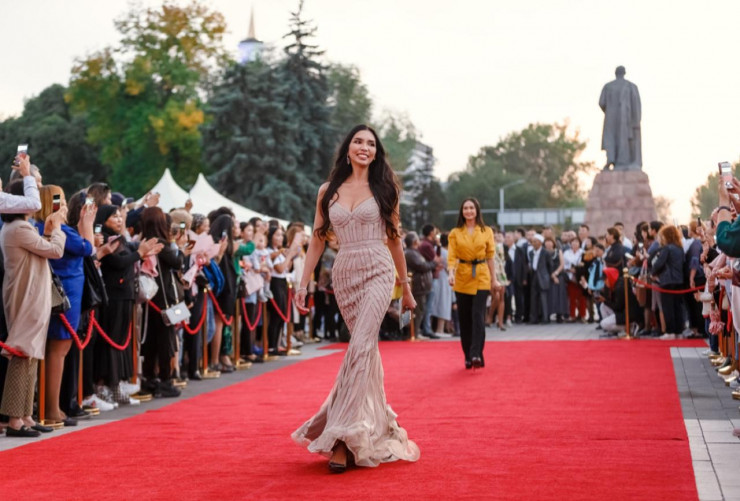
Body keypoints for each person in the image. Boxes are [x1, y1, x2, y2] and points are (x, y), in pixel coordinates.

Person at [292, 124, 420, 472]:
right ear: (347, 149)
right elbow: (317, 239)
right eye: (358, 142)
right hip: (345, 273)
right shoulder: (327, 190)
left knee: (361, 346)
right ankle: (373, 427)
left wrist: (405, 286)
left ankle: (340, 438)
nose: (364, 147)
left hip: (378, 269)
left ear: (376, 153)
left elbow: (394, 239)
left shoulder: (386, 188)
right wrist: (303, 284)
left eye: (371, 144)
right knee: (366, 353)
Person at [0, 180, 66, 437]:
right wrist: (56, 229)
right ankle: (15, 420)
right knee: (23, 354)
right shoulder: (18, 228)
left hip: (32, 296)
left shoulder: (19, 227)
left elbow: (42, 251)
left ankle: (26, 415)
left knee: (32, 355)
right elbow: (55, 251)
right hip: (26, 297)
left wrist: (48, 231)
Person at [34, 186, 95, 426]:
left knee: (55, 350)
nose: (67, 207)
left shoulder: (39, 226)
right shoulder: (60, 229)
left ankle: (51, 406)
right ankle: (52, 408)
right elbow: (87, 248)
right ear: (54, 204)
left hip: (57, 292)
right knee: (58, 351)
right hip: (66, 293)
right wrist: (87, 223)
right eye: (62, 202)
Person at [448, 198, 497, 369]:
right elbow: (452, 256)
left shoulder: (486, 231)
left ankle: (476, 352)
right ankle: (468, 355)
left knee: (478, 315)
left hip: (482, 275)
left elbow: (490, 256)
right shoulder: (455, 233)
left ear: (477, 210)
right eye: (465, 208)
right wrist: (451, 273)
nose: (468, 211)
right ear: (462, 212)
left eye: (471, 208)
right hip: (462, 276)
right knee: (465, 318)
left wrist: (494, 279)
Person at [651, 225, 686, 339]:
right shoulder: (679, 248)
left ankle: (670, 331)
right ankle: (679, 331)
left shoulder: (666, 248)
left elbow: (659, 263)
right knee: (678, 307)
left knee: (668, 307)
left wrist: (653, 272)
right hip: (679, 280)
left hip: (667, 280)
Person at [404, 231, 437, 340]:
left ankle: (415, 332)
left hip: (419, 287)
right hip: (417, 287)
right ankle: (413, 334)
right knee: (417, 311)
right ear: (414, 242)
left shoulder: (414, 252)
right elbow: (422, 266)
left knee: (419, 310)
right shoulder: (410, 253)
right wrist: (434, 263)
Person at [528, 234, 553, 324]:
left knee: (543, 298)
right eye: (532, 242)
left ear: (540, 242)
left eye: (535, 241)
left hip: (543, 277)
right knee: (533, 298)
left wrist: (547, 276)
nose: (533, 243)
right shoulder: (531, 253)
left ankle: (545, 318)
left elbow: (550, 266)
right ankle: (534, 318)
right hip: (534, 276)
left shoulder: (546, 253)